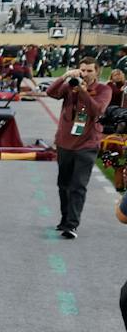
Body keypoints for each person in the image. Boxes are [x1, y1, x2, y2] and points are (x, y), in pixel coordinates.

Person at [50, 58, 113, 238]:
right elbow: (51, 93)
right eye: (82, 70)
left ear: (97, 72)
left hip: (87, 143)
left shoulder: (103, 90)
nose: (84, 74)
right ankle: (64, 219)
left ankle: (72, 224)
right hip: (65, 142)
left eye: (88, 71)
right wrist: (64, 77)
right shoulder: (71, 85)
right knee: (64, 184)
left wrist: (83, 91)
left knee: (78, 185)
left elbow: (97, 110)